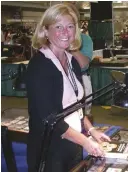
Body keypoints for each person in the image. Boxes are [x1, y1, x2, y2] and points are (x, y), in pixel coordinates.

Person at [26, 4, 110, 172]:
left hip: (73, 145)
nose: (65, 32)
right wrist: (86, 142)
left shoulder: (72, 62)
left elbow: (77, 106)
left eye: (70, 26)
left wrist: (91, 130)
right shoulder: (39, 65)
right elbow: (49, 118)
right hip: (49, 150)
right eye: (58, 26)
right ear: (45, 31)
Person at [65, 2, 94, 122]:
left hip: (81, 79)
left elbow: (83, 64)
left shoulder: (85, 39)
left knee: (83, 115)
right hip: (62, 80)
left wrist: (72, 45)